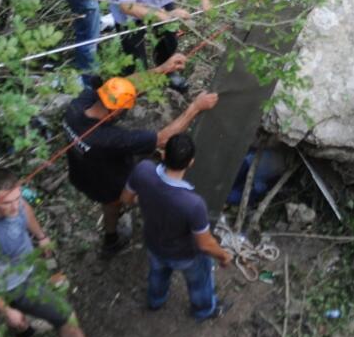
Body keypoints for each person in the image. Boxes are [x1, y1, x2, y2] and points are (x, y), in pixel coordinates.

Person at [63, 62, 219, 258]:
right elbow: (162, 138)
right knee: (115, 202)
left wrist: (163, 68)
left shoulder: (77, 106)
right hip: (105, 180)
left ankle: (111, 239)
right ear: (115, 111)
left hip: (80, 171)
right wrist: (195, 107)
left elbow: (123, 84)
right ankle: (124, 233)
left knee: (110, 200)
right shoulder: (110, 139)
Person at [0, 168, 89, 337]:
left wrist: (41, 236)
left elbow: (24, 208)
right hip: (14, 285)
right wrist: (6, 311)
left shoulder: (2, 193)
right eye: (7, 203)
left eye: (17, 198)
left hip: (25, 263)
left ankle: (24, 333)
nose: (15, 207)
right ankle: (19, 320)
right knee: (67, 318)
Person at [121, 134, 234, 320]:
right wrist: (223, 255)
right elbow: (205, 244)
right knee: (199, 282)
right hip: (185, 255)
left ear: (164, 154)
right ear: (191, 162)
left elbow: (126, 198)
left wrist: (149, 199)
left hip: (153, 243)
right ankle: (204, 310)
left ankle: (155, 301)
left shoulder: (143, 170)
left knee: (157, 273)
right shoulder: (193, 204)